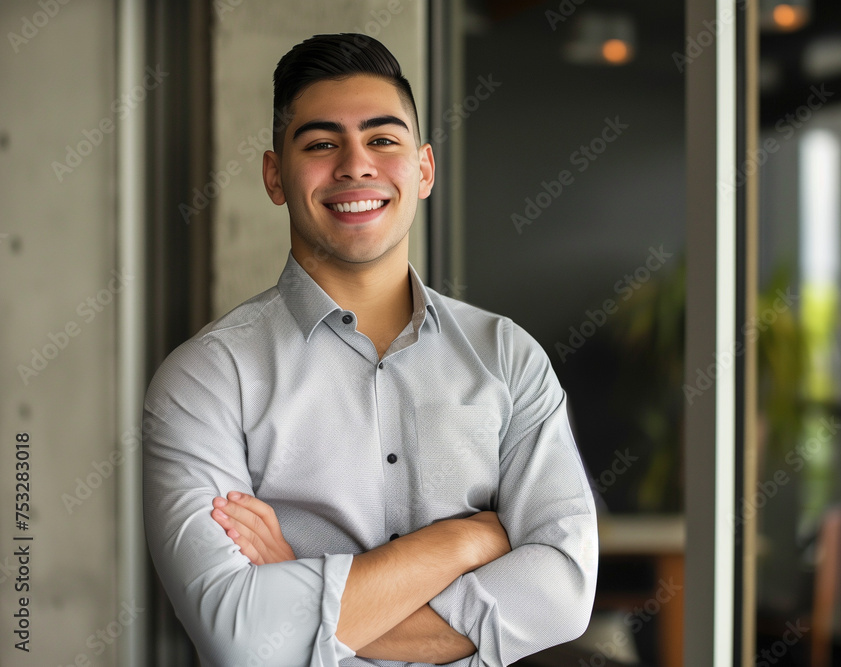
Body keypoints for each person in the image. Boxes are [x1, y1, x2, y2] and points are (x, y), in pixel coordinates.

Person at [142, 33, 598, 667]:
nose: (356, 165)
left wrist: (302, 587)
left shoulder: (509, 358)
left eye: (383, 140)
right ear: (275, 176)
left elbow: (563, 595)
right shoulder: (205, 381)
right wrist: (466, 542)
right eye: (322, 143)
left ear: (424, 169)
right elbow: (239, 638)